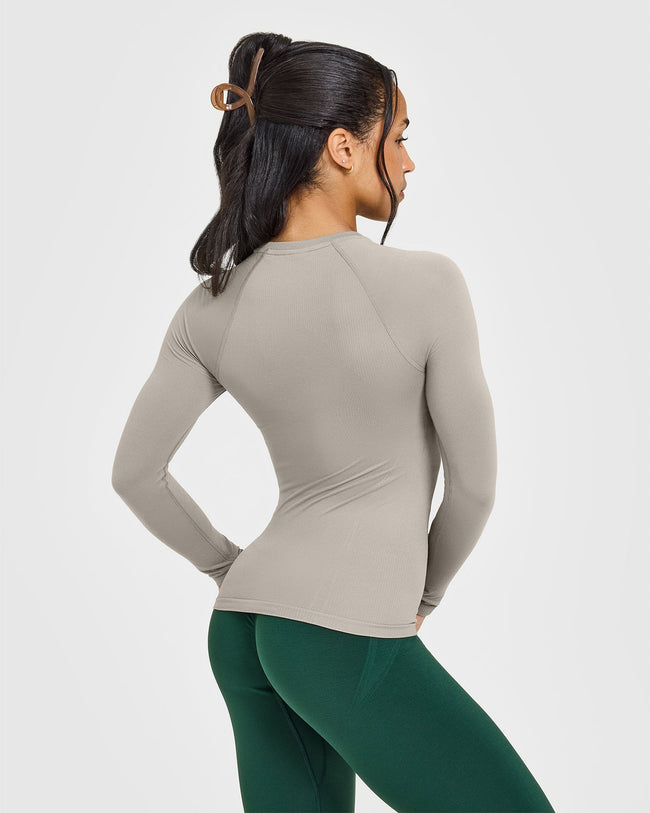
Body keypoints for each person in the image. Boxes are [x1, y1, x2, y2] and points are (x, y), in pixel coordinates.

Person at [111, 32, 556, 813]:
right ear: (344, 147)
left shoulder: (209, 305)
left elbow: (135, 475)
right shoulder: (428, 285)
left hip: (244, 626)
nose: (410, 161)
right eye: (400, 136)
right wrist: (426, 594)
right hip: (340, 636)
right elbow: (474, 488)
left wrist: (227, 567)